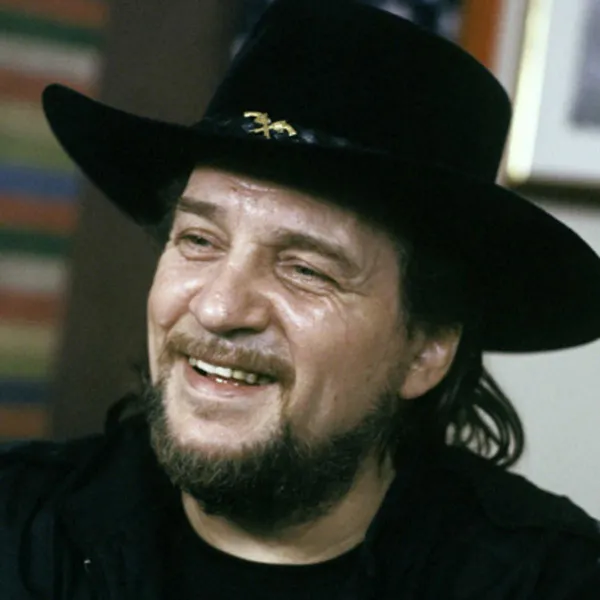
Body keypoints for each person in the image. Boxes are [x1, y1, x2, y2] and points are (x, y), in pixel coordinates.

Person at [2, 0, 600, 597]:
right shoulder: (18, 526)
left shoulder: (552, 582)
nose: (218, 308)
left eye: (306, 270)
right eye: (199, 240)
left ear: (426, 349)